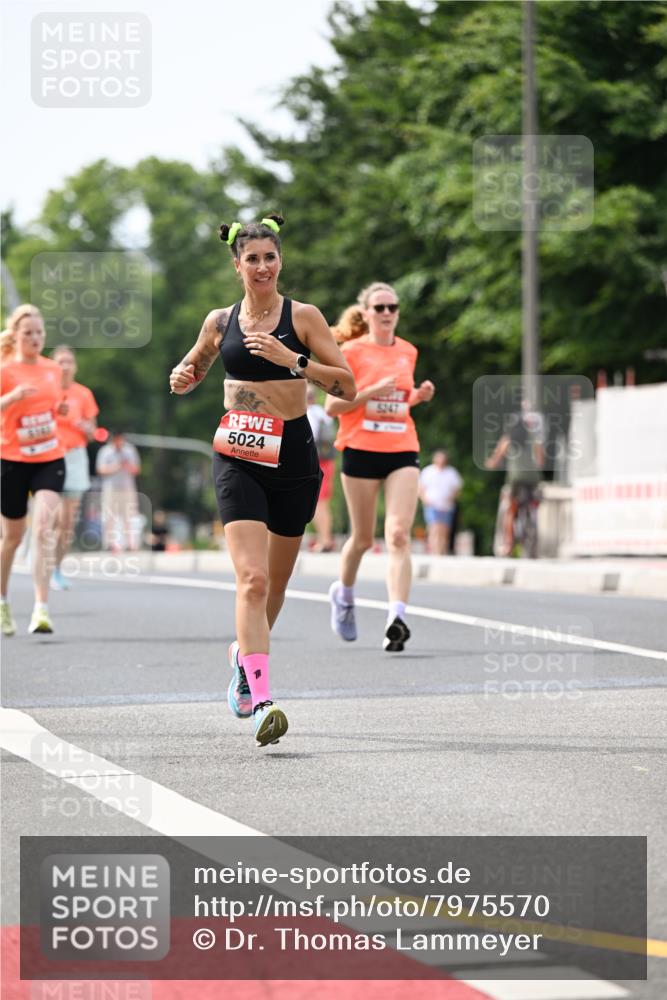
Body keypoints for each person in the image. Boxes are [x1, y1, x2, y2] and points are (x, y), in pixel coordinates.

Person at [169, 214, 355, 747]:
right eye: (251, 259)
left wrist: (293, 359)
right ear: (237, 266)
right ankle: (263, 700)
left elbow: (345, 385)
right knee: (250, 580)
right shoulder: (219, 320)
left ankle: (241, 660)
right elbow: (195, 366)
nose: (262, 266)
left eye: (270, 257)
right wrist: (183, 378)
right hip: (237, 452)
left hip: (293, 456)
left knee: (274, 585)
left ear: (280, 262)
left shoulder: (304, 317)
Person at [326, 283, 435, 651]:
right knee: (362, 540)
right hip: (360, 450)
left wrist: (416, 398)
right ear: (367, 313)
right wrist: (372, 390)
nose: (387, 313)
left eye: (393, 307)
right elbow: (332, 407)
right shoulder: (351, 352)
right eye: (380, 307)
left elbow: (398, 405)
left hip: (402, 448)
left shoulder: (408, 351)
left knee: (399, 534)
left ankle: (397, 618)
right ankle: (343, 595)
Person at [0, 304, 66, 634]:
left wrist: (61, 409)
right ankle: (3, 602)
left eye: (40, 332)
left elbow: (54, 405)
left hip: (49, 457)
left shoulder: (53, 369)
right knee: (11, 537)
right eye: (28, 333)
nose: (36, 338)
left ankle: (41, 608)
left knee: (42, 527)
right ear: (16, 335)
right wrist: (11, 397)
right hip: (11, 459)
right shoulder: (4, 370)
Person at [51, 345, 99, 589]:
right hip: (48, 457)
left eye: (69, 361)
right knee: (48, 517)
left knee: (66, 522)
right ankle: (39, 555)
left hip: (75, 457)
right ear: (53, 365)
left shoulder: (83, 394)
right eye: (60, 361)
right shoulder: (45, 392)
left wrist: (86, 428)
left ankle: (56, 570)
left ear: (75, 366)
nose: (65, 366)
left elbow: (93, 432)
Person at [485, 399, 545, 557]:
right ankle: (534, 534)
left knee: (510, 509)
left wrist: (492, 463)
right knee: (533, 503)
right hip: (533, 477)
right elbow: (540, 459)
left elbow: (498, 455)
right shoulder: (534, 437)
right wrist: (537, 468)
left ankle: (509, 545)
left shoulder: (509, 439)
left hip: (516, 477)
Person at [95, 431, 141, 551]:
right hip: (110, 488)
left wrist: (126, 466)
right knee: (109, 516)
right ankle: (110, 543)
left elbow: (136, 470)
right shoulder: (105, 451)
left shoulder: (130, 451)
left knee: (129, 516)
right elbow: (100, 470)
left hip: (127, 488)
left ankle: (130, 543)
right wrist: (115, 467)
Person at [306, 385, 336, 551]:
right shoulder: (323, 413)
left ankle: (324, 540)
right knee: (323, 502)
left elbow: (310, 438)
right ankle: (326, 538)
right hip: (327, 461)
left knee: (318, 502)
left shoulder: (310, 414)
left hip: (315, 461)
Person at [419, 449, 462, 555]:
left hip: (446, 506)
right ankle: (435, 551)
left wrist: (452, 498)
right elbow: (421, 487)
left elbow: (457, 489)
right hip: (432, 504)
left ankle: (442, 550)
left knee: (444, 530)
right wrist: (424, 499)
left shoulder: (451, 472)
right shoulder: (428, 471)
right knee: (434, 527)